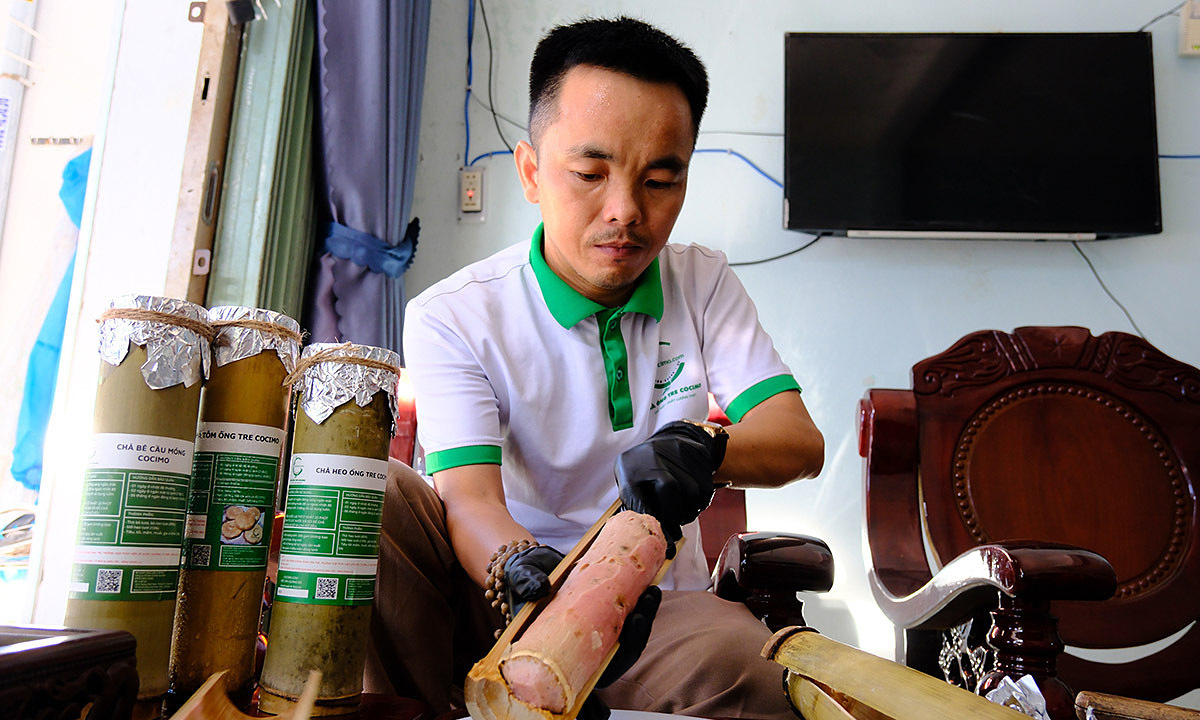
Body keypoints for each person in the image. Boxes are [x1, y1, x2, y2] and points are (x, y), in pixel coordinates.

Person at [366, 16, 824, 719]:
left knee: (758, 681)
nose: (626, 211)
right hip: (494, 589)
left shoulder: (701, 283)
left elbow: (798, 439)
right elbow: (470, 499)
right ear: (529, 171)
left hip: (651, 609)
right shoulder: (454, 314)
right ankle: (444, 703)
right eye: (590, 173)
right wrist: (523, 572)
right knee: (383, 493)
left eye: (661, 180)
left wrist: (706, 448)